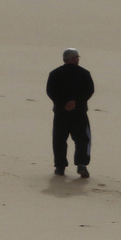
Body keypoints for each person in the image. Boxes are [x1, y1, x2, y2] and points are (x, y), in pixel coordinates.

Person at [46, 48, 93, 178]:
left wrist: (62, 104)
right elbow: (89, 90)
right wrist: (76, 103)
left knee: (59, 139)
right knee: (83, 139)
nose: (78, 59)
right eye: (77, 57)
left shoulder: (55, 73)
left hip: (61, 112)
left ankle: (60, 167)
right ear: (72, 59)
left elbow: (50, 91)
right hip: (79, 112)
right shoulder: (84, 73)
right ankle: (82, 164)